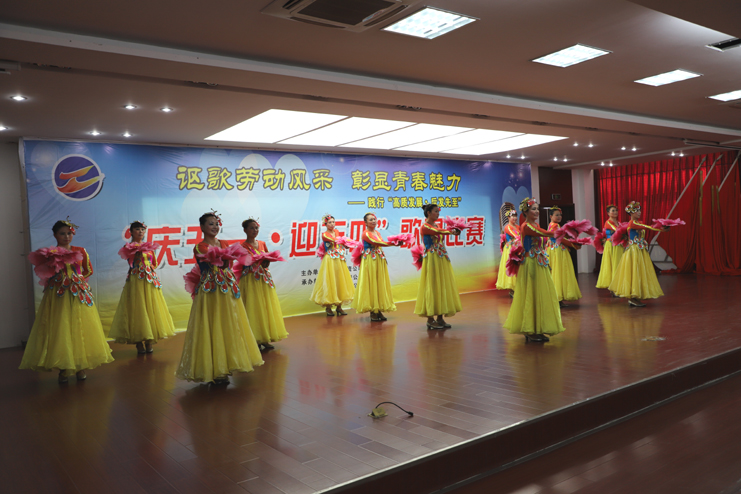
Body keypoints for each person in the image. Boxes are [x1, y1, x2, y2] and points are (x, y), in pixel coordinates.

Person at [20, 219, 114, 382]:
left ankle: (80, 365)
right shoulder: (49, 253)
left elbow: (88, 270)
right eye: (62, 233)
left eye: (69, 233)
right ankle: (64, 366)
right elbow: (45, 271)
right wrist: (58, 279)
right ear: (55, 235)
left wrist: (77, 279)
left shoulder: (80, 250)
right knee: (61, 327)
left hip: (77, 292)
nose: (66, 236)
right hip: (58, 294)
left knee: (79, 326)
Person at [176, 212, 263, 384]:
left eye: (216, 224)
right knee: (211, 325)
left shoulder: (224, 243)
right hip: (210, 291)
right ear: (202, 227)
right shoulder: (199, 247)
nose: (215, 227)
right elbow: (213, 262)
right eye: (211, 224)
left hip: (227, 287)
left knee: (228, 324)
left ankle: (228, 364)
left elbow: (228, 264)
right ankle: (214, 369)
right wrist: (224, 259)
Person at [503, 198, 565, 342]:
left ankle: (538, 328)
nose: (537, 211)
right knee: (531, 294)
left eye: (537, 209)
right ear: (525, 212)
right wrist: (564, 233)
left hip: (539, 262)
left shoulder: (535, 225)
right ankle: (529, 329)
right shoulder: (526, 226)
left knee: (540, 294)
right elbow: (545, 233)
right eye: (533, 209)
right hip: (530, 263)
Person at [109, 221, 176, 354]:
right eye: (137, 229)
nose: (140, 231)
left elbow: (154, 263)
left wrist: (149, 270)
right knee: (138, 308)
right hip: (136, 280)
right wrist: (137, 257)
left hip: (149, 279)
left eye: (142, 229)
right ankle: (139, 342)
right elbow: (129, 261)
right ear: (131, 232)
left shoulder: (149, 246)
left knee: (151, 306)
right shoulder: (128, 246)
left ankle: (149, 340)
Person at [239, 219, 288, 351]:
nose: (255, 230)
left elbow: (266, 262)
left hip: (263, 278)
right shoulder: (242, 246)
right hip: (250, 279)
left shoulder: (262, 243)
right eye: (251, 228)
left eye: (256, 228)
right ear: (245, 230)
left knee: (265, 307)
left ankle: (265, 337)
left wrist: (266, 262)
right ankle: (254, 338)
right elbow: (243, 264)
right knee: (253, 307)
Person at [608, 201, 668, 307]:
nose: (639, 212)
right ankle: (633, 297)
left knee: (639, 272)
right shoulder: (633, 223)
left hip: (639, 250)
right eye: (637, 211)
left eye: (640, 210)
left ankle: (635, 297)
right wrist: (661, 228)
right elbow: (648, 227)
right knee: (634, 272)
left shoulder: (638, 223)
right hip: (634, 251)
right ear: (631, 213)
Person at [413, 204, 462, 329]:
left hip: (441, 257)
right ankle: (430, 319)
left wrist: (452, 231)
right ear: (428, 213)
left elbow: (439, 233)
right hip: (432, 258)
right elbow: (437, 232)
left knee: (442, 284)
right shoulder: (425, 226)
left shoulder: (436, 225)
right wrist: (451, 231)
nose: (438, 214)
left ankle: (440, 318)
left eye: (438, 211)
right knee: (432, 285)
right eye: (435, 211)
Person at [351, 213, 399, 322]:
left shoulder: (377, 232)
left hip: (378, 259)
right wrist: (393, 243)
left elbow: (380, 243)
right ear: (365, 222)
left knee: (379, 283)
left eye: (374, 219)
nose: (373, 221)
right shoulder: (365, 234)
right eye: (371, 220)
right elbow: (377, 242)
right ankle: (373, 311)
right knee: (371, 283)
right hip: (370, 260)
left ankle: (378, 309)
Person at [310, 214, 355, 316]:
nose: (332, 224)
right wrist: (344, 241)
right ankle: (328, 307)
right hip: (330, 259)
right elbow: (335, 240)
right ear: (325, 224)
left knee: (339, 281)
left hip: (339, 258)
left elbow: (339, 243)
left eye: (333, 222)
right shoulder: (324, 234)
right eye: (329, 222)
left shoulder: (337, 231)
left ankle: (339, 307)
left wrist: (345, 245)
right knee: (330, 281)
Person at [547, 207, 582, 307]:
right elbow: (560, 239)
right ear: (551, 216)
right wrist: (574, 245)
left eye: (560, 215)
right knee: (559, 272)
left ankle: (558, 298)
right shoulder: (554, 226)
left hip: (554, 250)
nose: (559, 217)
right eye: (556, 215)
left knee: (557, 273)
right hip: (557, 251)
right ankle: (557, 298)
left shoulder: (553, 225)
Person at [595, 205, 625, 293]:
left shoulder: (619, 223)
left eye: (616, 210)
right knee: (613, 264)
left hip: (618, 245)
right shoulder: (608, 222)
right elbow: (618, 231)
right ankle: (613, 287)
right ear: (608, 213)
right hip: (611, 246)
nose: (615, 212)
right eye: (613, 211)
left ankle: (619, 285)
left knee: (619, 264)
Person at [496, 209, 520, 297]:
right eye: (512, 216)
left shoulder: (518, 227)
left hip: (517, 248)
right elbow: (516, 236)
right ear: (508, 218)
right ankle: (512, 290)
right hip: (510, 249)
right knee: (512, 267)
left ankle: (518, 288)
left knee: (518, 268)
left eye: (515, 216)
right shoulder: (507, 227)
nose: (514, 218)